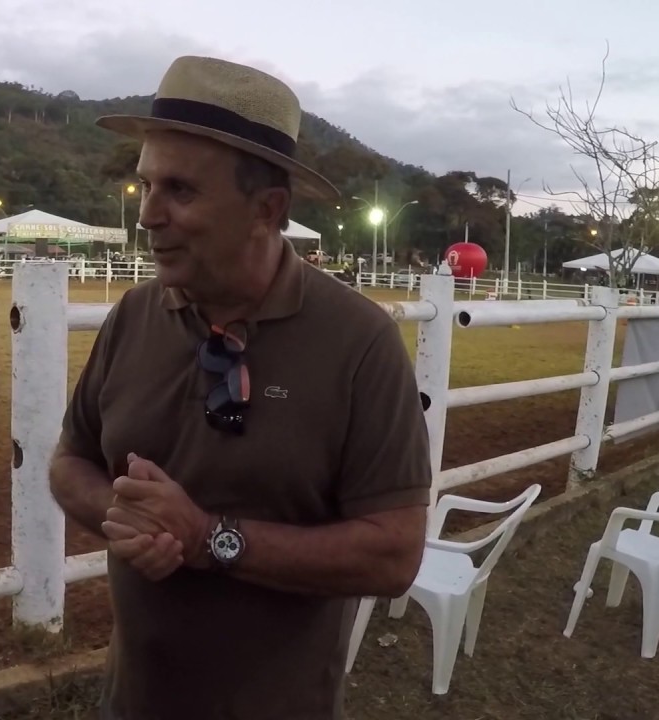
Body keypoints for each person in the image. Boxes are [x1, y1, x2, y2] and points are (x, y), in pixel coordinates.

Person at [48, 56, 432, 720]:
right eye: (145, 185)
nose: (148, 215)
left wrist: (209, 539)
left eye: (181, 191)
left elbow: (394, 552)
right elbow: (67, 460)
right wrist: (126, 514)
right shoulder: (133, 318)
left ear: (268, 209)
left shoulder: (360, 344)